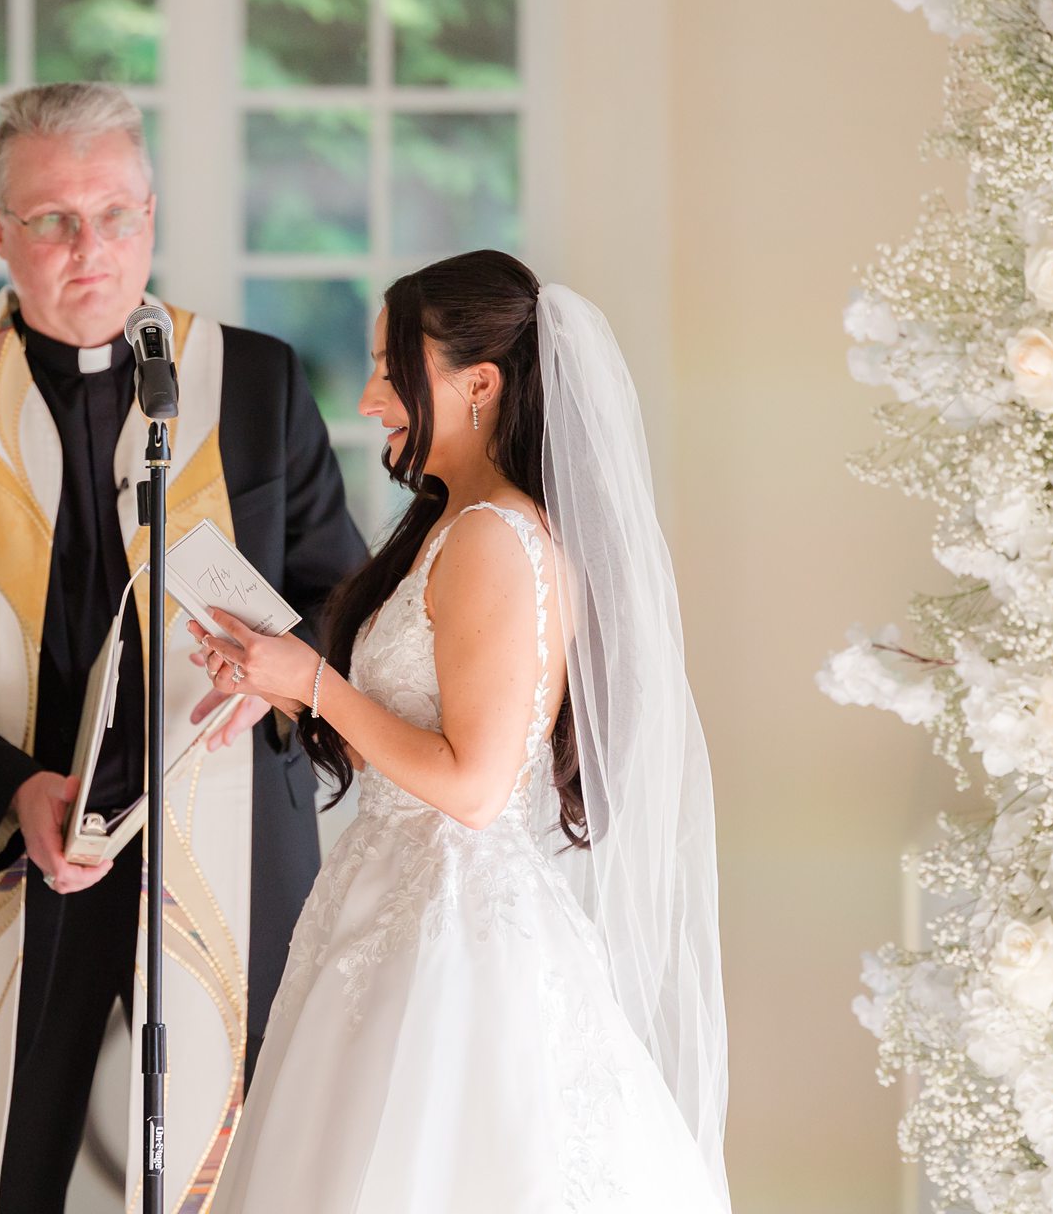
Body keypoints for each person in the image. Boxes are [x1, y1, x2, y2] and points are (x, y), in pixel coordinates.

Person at [0, 82, 367, 1214]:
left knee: (233, 1167)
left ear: (151, 212)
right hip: (10, 838)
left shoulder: (259, 385)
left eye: (117, 214)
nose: (91, 247)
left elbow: (341, 597)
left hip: (218, 824)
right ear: (0, 231)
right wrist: (8, 791)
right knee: (4, 1156)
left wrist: (281, 669)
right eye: (52, 220)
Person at [194, 250, 731, 1212]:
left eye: (391, 372)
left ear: (477, 382)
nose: (368, 400)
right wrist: (284, 685)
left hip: (453, 934)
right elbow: (415, 744)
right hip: (388, 896)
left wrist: (315, 680)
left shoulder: (494, 538)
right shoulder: (453, 523)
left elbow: (476, 790)